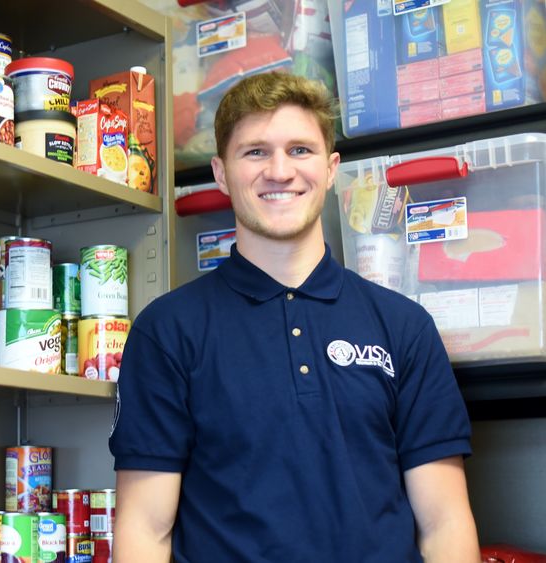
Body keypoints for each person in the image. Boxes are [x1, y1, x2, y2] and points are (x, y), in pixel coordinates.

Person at [108, 72, 480, 562]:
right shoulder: (167, 331)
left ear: (330, 169)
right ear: (221, 173)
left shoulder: (403, 326)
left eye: (300, 150)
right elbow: (144, 527)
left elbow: (445, 523)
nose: (280, 171)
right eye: (255, 152)